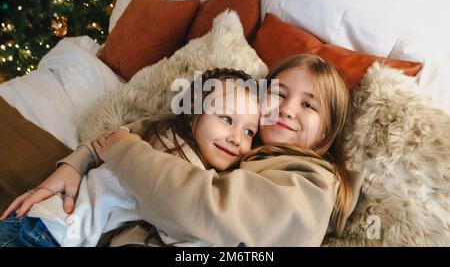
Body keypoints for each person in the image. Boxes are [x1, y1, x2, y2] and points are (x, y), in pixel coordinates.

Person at [1, 54, 364, 246]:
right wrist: (77, 162)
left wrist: (124, 152)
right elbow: (165, 125)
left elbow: (206, 208)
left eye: (309, 106)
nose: (287, 109)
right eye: (279, 94)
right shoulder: (245, 144)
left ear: (327, 133)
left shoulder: (313, 184)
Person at [0, 68, 260, 247]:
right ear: (193, 112)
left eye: (249, 131)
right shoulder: (170, 151)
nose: (237, 138)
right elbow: (179, 221)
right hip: (48, 232)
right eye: (226, 119)